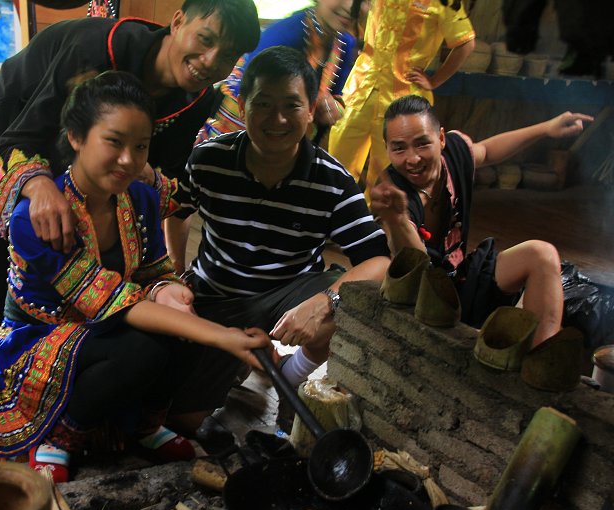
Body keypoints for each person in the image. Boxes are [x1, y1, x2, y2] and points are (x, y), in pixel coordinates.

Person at [0, 72, 271, 481]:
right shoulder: (37, 218)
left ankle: (141, 423)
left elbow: (155, 270)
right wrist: (220, 335)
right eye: (114, 141)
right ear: (75, 136)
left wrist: (170, 291)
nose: (129, 159)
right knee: (149, 347)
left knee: (187, 324)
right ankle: (59, 435)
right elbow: (109, 302)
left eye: (140, 146)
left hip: (105, 328)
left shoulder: (139, 197)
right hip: (40, 337)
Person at [0, 0, 261, 379]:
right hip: (21, 122)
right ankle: (1, 382)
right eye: (204, 39)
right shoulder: (95, 49)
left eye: (226, 56)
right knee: (18, 252)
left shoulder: (199, 98)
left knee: (109, 248)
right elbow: (24, 135)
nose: (209, 61)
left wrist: (162, 283)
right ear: (177, 22)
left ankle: (90, 360)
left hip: (102, 163)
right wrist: (37, 184)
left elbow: (165, 179)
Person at [167, 46, 407, 435]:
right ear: (242, 105)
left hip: (290, 291)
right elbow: (176, 213)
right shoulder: (208, 161)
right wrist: (176, 273)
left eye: (291, 105)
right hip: (218, 296)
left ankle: (292, 379)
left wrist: (323, 303)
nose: (277, 119)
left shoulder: (330, 179)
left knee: (350, 301)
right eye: (263, 103)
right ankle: (254, 361)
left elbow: (378, 261)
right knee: (186, 421)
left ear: (311, 109)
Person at [371, 94, 593, 346]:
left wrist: (546, 128)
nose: (412, 158)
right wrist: (397, 219)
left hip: (462, 279)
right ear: (387, 148)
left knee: (542, 254)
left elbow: (487, 151)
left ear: (441, 138)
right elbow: (416, 265)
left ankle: (540, 355)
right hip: (424, 300)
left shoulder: (453, 155)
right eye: (399, 148)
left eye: (422, 144)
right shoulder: (393, 196)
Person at [328, 0, 476, 204]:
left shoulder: (445, 2)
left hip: (401, 105)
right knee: (337, 164)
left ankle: (377, 230)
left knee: (387, 178)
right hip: (359, 91)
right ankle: (332, 221)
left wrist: (434, 80)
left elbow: (465, 43)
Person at [195, 0, 362, 145]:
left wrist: (333, 108)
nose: (350, 7)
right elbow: (257, 107)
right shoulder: (282, 37)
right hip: (240, 138)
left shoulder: (345, 43)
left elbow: (339, 98)